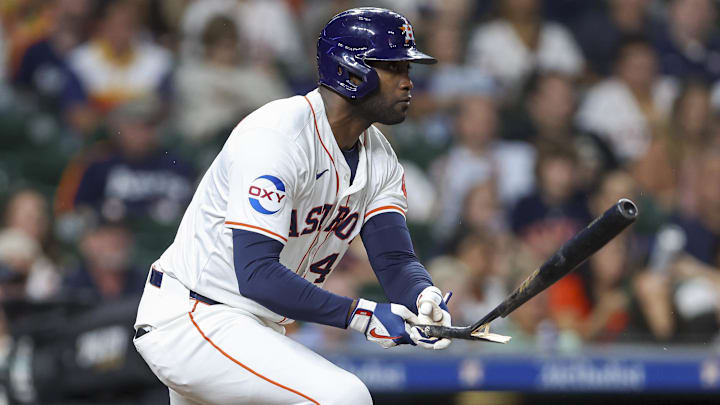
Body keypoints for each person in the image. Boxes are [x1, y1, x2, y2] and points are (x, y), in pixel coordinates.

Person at [133, 8, 452, 405]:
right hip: (196, 315)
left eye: (407, 68)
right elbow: (257, 274)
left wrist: (423, 296)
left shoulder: (381, 158)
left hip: (250, 326)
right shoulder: (277, 136)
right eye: (392, 67)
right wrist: (362, 315)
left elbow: (395, 259)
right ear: (349, 69)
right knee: (344, 397)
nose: (408, 83)